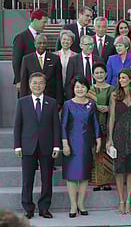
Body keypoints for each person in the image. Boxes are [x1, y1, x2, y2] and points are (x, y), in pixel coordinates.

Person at [14, 72, 60, 219]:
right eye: (35, 83)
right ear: (29, 84)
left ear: (45, 85)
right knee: (28, 179)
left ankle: (44, 208)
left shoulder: (52, 103)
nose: (37, 85)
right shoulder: (22, 102)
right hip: (27, 146)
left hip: (47, 147)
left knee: (47, 179)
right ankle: (28, 208)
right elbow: (18, 126)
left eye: (40, 83)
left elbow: (56, 126)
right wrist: (17, 146)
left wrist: (56, 146)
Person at [61, 76, 101, 217]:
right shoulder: (68, 105)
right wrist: (65, 143)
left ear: (87, 88)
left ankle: (81, 203)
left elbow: (96, 124)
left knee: (84, 176)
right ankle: (73, 205)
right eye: (77, 86)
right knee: (72, 176)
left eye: (83, 87)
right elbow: (63, 126)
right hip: (71, 144)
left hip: (85, 144)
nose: (80, 89)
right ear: (73, 88)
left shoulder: (91, 104)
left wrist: (98, 140)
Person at [106, 69, 131, 214]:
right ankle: (121, 200)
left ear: (130, 79)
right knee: (120, 170)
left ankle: (129, 200)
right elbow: (112, 118)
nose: (121, 80)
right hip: (119, 135)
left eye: (124, 78)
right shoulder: (115, 95)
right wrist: (110, 139)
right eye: (120, 78)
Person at [86, 63, 115, 192]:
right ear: (93, 75)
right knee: (96, 152)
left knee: (106, 152)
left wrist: (109, 108)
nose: (99, 75)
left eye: (101, 72)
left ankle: (107, 181)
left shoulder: (112, 89)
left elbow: (117, 105)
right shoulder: (90, 90)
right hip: (94, 124)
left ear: (106, 74)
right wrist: (95, 107)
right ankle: (97, 181)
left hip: (108, 122)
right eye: (97, 73)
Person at [20, 34, 64, 108]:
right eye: (39, 43)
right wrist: (23, 101)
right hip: (32, 99)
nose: (42, 45)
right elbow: (24, 82)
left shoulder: (55, 58)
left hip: (51, 98)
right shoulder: (27, 59)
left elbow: (59, 81)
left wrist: (59, 101)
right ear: (35, 44)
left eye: (44, 43)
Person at [12, 10, 48, 92]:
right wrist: (18, 80)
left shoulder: (43, 37)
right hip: (26, 81)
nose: (45, 25)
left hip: (40, 83)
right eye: (44, 22)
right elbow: (16, 61)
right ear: (35, 20)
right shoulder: (21, 37)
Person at [65, 35, 102, 99]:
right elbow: (68, 82)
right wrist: (70, 99)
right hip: (78, 96)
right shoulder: (73, 60)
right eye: (87, 44)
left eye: (92, 45)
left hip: (95, 95)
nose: (90, 47)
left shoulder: (98, 60)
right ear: (81, 45)